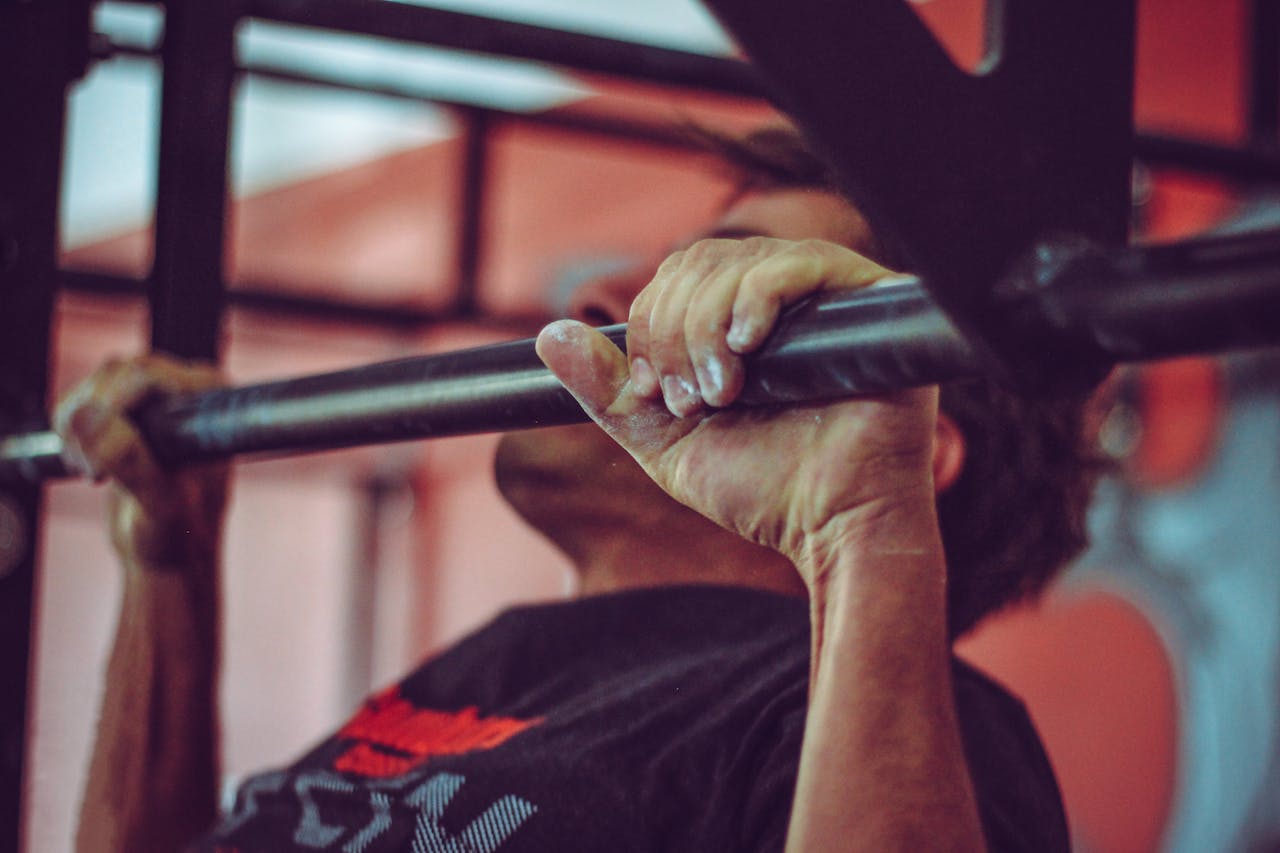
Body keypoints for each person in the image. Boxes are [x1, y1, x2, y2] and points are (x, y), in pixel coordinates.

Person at [57, 127, 1099, 851]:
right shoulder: (499, 664)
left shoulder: (924, 732)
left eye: (715, 284)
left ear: (914, 445)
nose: (602, 298)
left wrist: (867, 530)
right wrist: (173, 571)